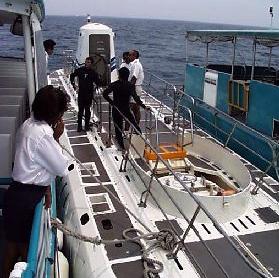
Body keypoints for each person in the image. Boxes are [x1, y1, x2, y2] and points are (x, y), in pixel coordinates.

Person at [2, 85, 70, 278]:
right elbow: (61, 169)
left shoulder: (29, 124)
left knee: (12, 247)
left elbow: (33, 164)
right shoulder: (44, 134)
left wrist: (46, 187)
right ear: (55, 114)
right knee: (27, 253)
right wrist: (57, 137)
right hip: (26, 200)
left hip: (16, 194)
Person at [103, 67, 149, 151]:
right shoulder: (130, 86)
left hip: (116, 108)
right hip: (126, 108)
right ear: (128, 76)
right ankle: (141, 140)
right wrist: (144, 107)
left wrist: (111, 102)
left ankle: (121, 147)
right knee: (134, 123)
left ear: (119, 75)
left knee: (118, 128)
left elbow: (105, 94)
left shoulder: (114, 84)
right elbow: (136, 98)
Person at [70, 56, 101, 132]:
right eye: (86, 62)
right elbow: (72, 75)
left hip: (89, 94)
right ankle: (79, 126)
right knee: (80, 111)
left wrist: (97, 85)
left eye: (89, 62)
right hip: (81, 94)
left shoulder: (93, 73)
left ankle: (87, 126)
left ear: (91, 64)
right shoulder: (80, 70)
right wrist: (73, 84)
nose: (87, 64)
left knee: (87, 111)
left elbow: (98, 82)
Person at [127, 49, 144, 127]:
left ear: (134, 56)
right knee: (134, 109)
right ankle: (134, 127)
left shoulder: (136, 64)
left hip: (135, 88)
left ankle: (130, 128)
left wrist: (128, 88)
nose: (128, 56)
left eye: (130, 55)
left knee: (132, 109)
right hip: (134, 87)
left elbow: (134, 77)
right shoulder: (132, 64)